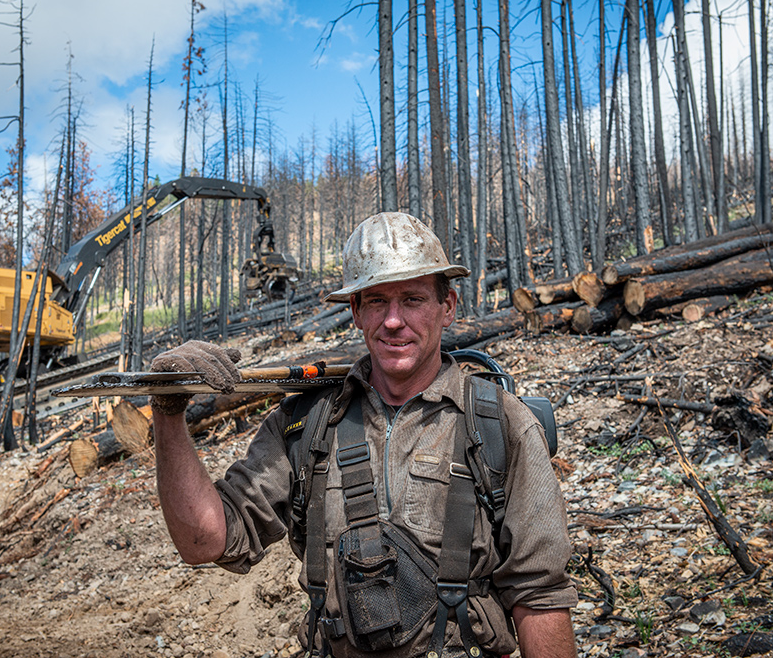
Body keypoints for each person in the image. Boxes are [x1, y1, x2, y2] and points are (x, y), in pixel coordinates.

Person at [150, 212, 578, 658]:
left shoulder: (497, 423)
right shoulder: (306, 424)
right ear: (355, 311)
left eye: (412, 299)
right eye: (376, 301)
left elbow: (540, 594)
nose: (393, 321)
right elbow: (205, 541)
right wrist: (168, 410)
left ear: (447, 306)